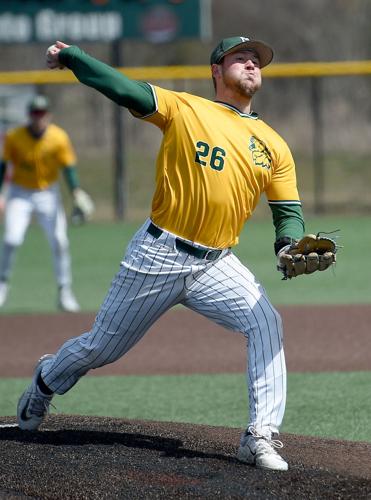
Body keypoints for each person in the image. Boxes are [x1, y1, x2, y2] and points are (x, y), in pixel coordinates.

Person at [17, 36, 320, 471]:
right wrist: (73, 58)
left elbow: (287, 211)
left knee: (266, 323)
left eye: (258, 60)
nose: (252, 64)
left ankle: (259, 437)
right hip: (157, 253)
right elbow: (124, 89)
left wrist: (290, 244)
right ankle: (45, 381)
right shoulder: (185, 108)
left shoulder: (272, 143)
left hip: (216, 262)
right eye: (241, 58)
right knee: (101, 348)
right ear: (216, 70)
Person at [0, 95, 82, 312]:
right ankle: (2, 285)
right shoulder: (14, 137)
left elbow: (68, 168)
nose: (39, 117)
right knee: (11, 240)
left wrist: (76, 192)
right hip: (20, 193)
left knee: (60, 241)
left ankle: (65, 291)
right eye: (35, 113)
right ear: (29, 115)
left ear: (49, 115)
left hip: (48, 193)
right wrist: (1, 195)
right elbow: (3, 166)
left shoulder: (58, 137)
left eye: (42, 113)